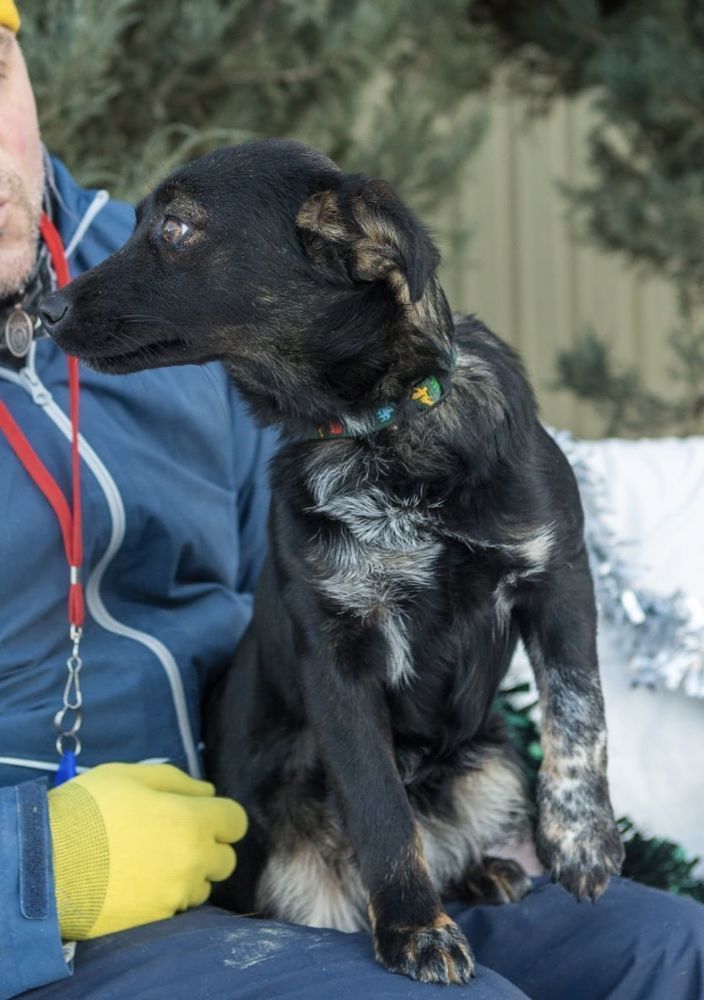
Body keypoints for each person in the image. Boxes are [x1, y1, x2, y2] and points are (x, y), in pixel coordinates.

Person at [0, 3, 702, 998]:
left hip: (293, 801)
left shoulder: (161, 265)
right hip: (74, 914)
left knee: (673, 953)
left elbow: (311, 597)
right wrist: (36, 871)